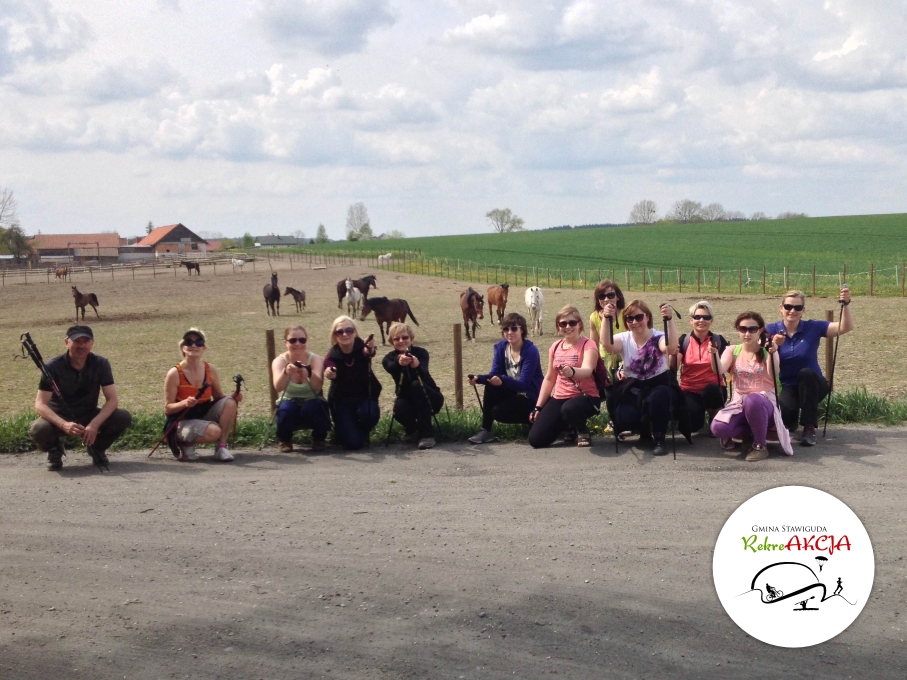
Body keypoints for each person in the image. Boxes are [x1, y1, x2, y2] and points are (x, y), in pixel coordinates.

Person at [29, 325, 132, 470]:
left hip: (88, 414)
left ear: (92, 343)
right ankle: (54, 450)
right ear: (67, 342)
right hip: (59, 417)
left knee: (122, 417)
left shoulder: (101, 363)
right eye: (77, 341)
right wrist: (63, 424)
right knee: (39, 428)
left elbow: (112, 400)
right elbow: (40, 405)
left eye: (85, 341)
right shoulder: (52, 367)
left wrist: (94, 424)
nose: (81, 346)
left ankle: (97, 448)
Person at [766, 288, 854, 446]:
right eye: (788, 307)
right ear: (781, 308)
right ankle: (791, 420)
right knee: (786, 417)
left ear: (803, 310)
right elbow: (753, 345)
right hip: (787, 385)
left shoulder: (813, 327)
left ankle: (809, 427)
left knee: (806, 374)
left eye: (798, 307)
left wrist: (846, 304)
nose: (792, 311)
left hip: (814, 385)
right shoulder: (771, 330)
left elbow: (844, 327)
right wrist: (773, 343)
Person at [600, 299, 684, 456]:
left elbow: (671, 347)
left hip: (659, 385)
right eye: (629, 319)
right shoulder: (623, 338)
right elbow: (607, 345)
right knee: (625, 417)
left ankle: (659, 438)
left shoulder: (658, 336)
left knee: (658, 397)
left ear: (647, 317)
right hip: (634, 386)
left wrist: (669, 320)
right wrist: (606, 318)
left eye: (639, 317)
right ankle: (644, 431)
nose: (634, 322)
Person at [710, 312, 793, 461]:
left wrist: (772, 352)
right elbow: (719, 370)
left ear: (760, 330)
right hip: (739, 403)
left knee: (753, 399)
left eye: (752, 329)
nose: (747, 333)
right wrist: (714, 353)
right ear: (737, 329)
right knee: (718, 428)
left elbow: (773, 373)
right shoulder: (733, 350)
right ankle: (750, 433)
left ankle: (760, 446)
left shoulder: (767, 350)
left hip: (763, 403)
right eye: (743, 329)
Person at [164, 328, 242, 462]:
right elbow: (168, 408)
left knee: (229, 402)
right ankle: (185, 443)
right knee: (214, 431)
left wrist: (233, 397)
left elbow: (218, 396)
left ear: (204, 348)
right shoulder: (174, 373)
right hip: (182, 419)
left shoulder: (210, 369)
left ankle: (221, 447)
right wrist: (184, 403)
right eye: (189, 342)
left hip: (203, 413)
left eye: (198, 342)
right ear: (183, 347)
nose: (194, 345)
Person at [528, 305, 600, 449]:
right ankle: (568, 425)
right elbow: (549, 378)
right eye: (563, 324)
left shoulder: (588, 345)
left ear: (579, 325)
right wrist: (538, 407)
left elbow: (587, 370)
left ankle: (582, 430)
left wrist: (573, 372)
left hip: (586, 397)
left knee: (570, 408)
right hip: (560, 398)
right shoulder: (555, 347)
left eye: (572, 323)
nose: (568, 327)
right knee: (536, 440)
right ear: (558, 327)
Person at [468, 313, 544, 444]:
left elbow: (524, 384)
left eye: (514, 328)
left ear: (522, 330)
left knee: (499, 412)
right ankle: (485, 430)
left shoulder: (531, 351)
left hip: (530, 396)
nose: (509, 332)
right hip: (514, 392)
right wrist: (478, 379)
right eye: (505, 329)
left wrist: (502, 380)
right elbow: (494, 374)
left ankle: (533, 418)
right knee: (491, 386)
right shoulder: (501, 347)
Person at [382, 322, 444, 450]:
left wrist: (416, 365)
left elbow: (423, 371)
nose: (401, 341)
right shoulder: (388, 358)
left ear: (411, 339)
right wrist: (399, 362)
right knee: (398, 410)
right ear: (392, 342)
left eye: (405, 337)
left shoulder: (421, 353)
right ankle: (413, 429)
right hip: (406, 399)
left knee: (416, 385)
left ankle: (427, 435)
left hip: (430, 397)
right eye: (396, 338)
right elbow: (390, 367)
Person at [323, 316, 380, 450]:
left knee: (370, 414)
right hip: (342, 401)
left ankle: (363, 432)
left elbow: (369, 352)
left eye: (349, 330)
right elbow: (328, 367)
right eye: (340, 332)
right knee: (353, 444)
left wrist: (370, 348)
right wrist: (330, 373)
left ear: (354, 332)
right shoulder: (332, 355)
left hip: (364, 397)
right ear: (335, 336)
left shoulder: (362, 347)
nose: (345, 334)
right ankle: (349, 431)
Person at [271, 325, 330, 453]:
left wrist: (309, 374)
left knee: (312, 408)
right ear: (286, 343)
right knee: (286, 410)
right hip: (289, 400)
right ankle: (285, 440)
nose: (298, 344)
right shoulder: (279, 361)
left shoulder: (315, 359)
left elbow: (317, 387)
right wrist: (285, 373)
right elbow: (278, 387)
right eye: (293, 340)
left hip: (312, 399)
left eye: (302, 340)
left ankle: (319, 438)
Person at [673, 300, 729, 433]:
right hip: (690, 390)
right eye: (697, 317)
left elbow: (728, 365)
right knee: (692, 426)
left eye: (706, 317)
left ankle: (715, 419)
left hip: (714, 389)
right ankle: (698, 416)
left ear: (711, 321)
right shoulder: (684, 341)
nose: (701, 320)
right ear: (691, 320)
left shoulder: (718, 340)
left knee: (712, 390)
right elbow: (673, 367)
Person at [588, 279, 626, 382]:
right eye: (601, 296)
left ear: (618, 297)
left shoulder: (626, 314)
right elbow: (593, 346)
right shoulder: (594, 317)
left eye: (611, 295)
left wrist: (624, 364)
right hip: (606, 359)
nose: (606, 299)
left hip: (625, 357)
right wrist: (599, 368)